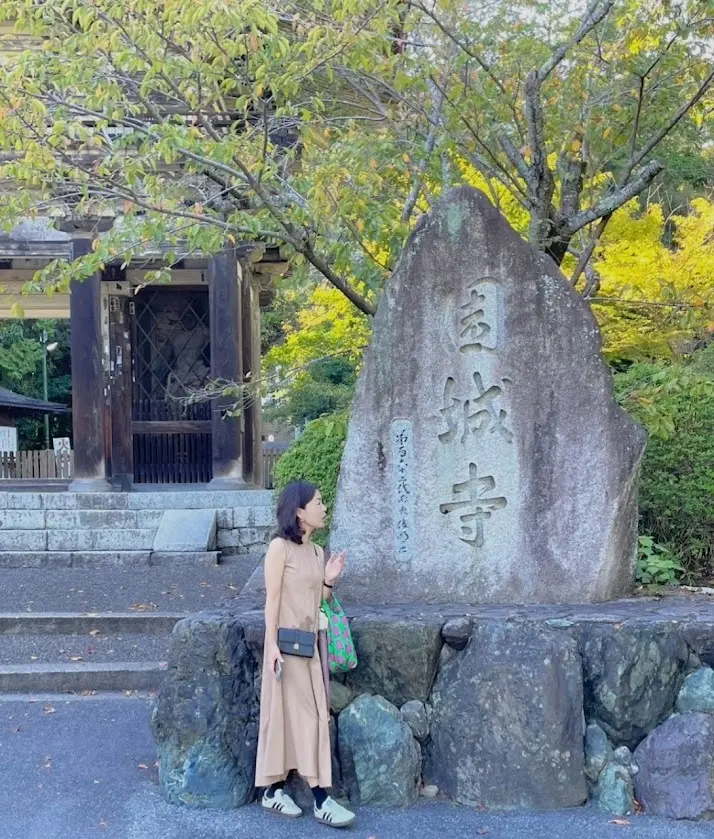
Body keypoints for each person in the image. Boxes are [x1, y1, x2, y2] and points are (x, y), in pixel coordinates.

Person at [255, 480, 356, 828]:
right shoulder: (278, 549)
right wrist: (270, 648)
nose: (324, 507)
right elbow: (272, 601)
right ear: (299, 511)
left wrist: (328, 580)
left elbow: (317, 603)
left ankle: (273, 790)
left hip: (312, 648)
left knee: (293, 719)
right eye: (318, 501)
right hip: (284, 649)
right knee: (308, 720)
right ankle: (321, 799)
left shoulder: (316, 552)